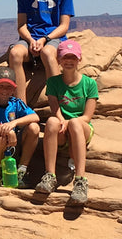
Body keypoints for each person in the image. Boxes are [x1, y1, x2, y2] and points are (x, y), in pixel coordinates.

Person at [7, 0, 75, 102]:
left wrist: (45, 40)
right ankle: (21, 108)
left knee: (47, 53)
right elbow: (21, 25)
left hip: (53, 38)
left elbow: (64, 26)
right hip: (29, 39)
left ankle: (59, 106)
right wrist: (31, 40)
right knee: (15, 54)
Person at [34, 40, 98, 204]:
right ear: (58, 60)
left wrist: (70, 123)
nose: (69, 61)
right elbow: (55, 109)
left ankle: (80, 180)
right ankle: (50, 176)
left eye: (73, 57)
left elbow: (87, 116)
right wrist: (63, 121)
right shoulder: (53, 82)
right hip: (62, 130)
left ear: (79, 59)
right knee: (51, 122)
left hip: (81, 129)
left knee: (76, 123)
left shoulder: (89, 84)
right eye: (65, 57)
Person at [0, 66, 41, 185]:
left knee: (34, 127)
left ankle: (22, 171)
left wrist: (14, 123)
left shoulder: (16, 103)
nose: (4, 90)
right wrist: (8, 131)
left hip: (12, 146)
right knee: (0, 136)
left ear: (14, 88)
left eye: (9, 87)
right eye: (0, 86)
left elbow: (35, 117)